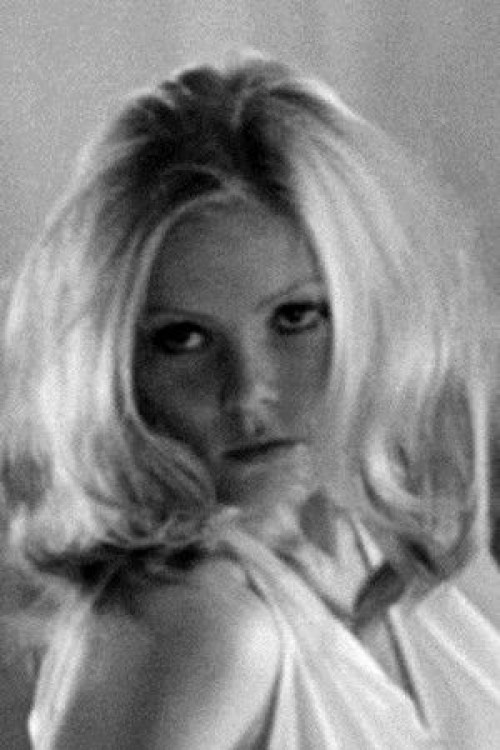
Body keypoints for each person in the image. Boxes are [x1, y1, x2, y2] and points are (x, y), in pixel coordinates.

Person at [0, 51, 499, 749]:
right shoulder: (204, 625)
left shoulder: (413, 557)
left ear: (374, 312)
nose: (248, 392)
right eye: (183, 338)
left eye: (295, 318)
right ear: (118, 367)